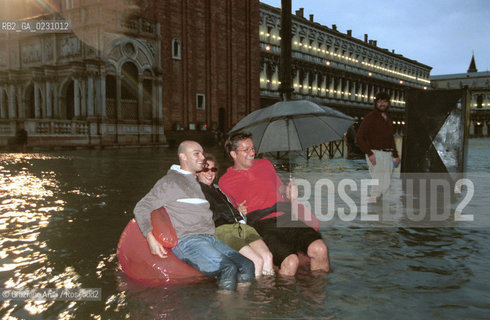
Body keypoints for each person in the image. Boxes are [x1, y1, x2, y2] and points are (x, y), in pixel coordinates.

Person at [133, 140, 254, 291]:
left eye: (202, 153)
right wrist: (150, 238)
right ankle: (226, 311)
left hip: (210, 238)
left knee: (248, 265)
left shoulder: (196, 181)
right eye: (196, 153)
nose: (202, 157)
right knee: (228, 269)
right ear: (183, 157)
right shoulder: (170, 182)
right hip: (188, 241)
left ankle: (242, 308)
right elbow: (141, 207)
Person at [219, 132, 330, 276]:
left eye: (253, 148)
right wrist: (237, 210)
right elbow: (227, 213)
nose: (252, 153)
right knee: (291, 261)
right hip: (261, 224)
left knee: (320, 249)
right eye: (246, 149)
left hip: (286, 217)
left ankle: (317, 295)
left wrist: (289, 192)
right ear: (233, 154)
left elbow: (280, 189)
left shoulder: (265, 164)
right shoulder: (225, 181)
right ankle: (284, 297)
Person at [197, 153, 275, 277]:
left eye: (213, 169)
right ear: (197, 172)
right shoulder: (195, 191)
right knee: (257, 261)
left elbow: (227, 209)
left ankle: (267, 294)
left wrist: (238, 211)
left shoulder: (218, 190)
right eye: (205, 169)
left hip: (242, 227)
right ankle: (256, 295)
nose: (210, 173)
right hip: (223, 230)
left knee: (268, 257)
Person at [355, 91, 400, 201]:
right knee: (377, 184)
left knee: (386, 184)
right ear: (375, 103)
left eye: (384, 102)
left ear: (388, 103)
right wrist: (370, 154)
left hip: (388, 154)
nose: (382, 104)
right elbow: (359, 138)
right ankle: (372, 212)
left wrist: (395, 155)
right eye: (379, 102)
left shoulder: (388, 118)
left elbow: (390, 138)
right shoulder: (370, 117)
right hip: (376, 154)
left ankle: (378, 212)